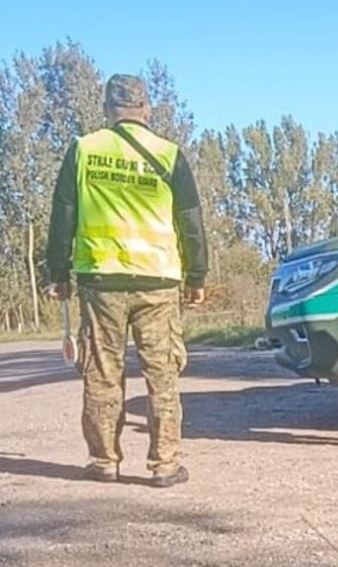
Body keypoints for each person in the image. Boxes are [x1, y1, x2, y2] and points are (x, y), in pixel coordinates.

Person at [46, 74, 208, 487]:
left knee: (102, 371)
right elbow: (191, 221)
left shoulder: (84, 150)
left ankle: (104, 462)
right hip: (158, 280)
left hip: (101, 279)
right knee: (162, 374)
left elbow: (62, 215)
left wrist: (58, 274)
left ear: (106, 110)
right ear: (146, 110)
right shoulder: (169, 154)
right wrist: (196, 275)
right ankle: (165, 465)